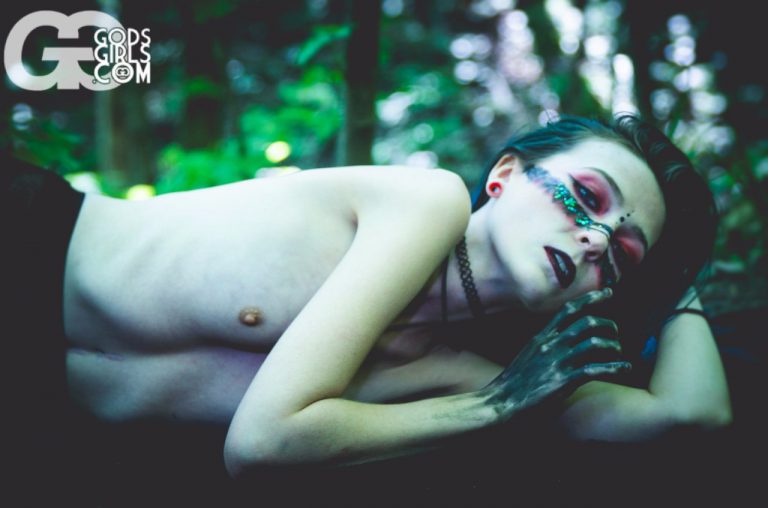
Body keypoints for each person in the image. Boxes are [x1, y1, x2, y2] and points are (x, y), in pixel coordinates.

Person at [3, 114, 731, 482]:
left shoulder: (452, 372)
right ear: (505, 175)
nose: (596, 238)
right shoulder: (425, 202)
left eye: (622, 253)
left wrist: (672, 283)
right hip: (29, 239)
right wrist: (497, 406)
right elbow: (264, 441)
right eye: (586, 197)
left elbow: (691, 416)